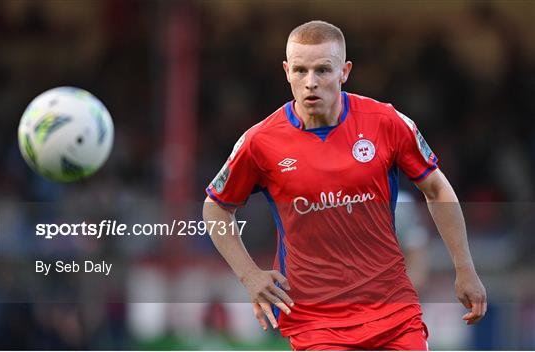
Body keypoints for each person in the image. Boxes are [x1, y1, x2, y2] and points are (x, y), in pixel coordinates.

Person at [203, 20, 486, 350]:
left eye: (323, 70)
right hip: (316, 324)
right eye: (300, 70)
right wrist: (249, 274)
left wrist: (464, 267)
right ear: (286, 71)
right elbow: (216, 208)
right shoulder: (260, 142)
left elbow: (437, 189)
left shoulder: (386, 122)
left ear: (345, 71)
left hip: (394, 313)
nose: (311, 83)